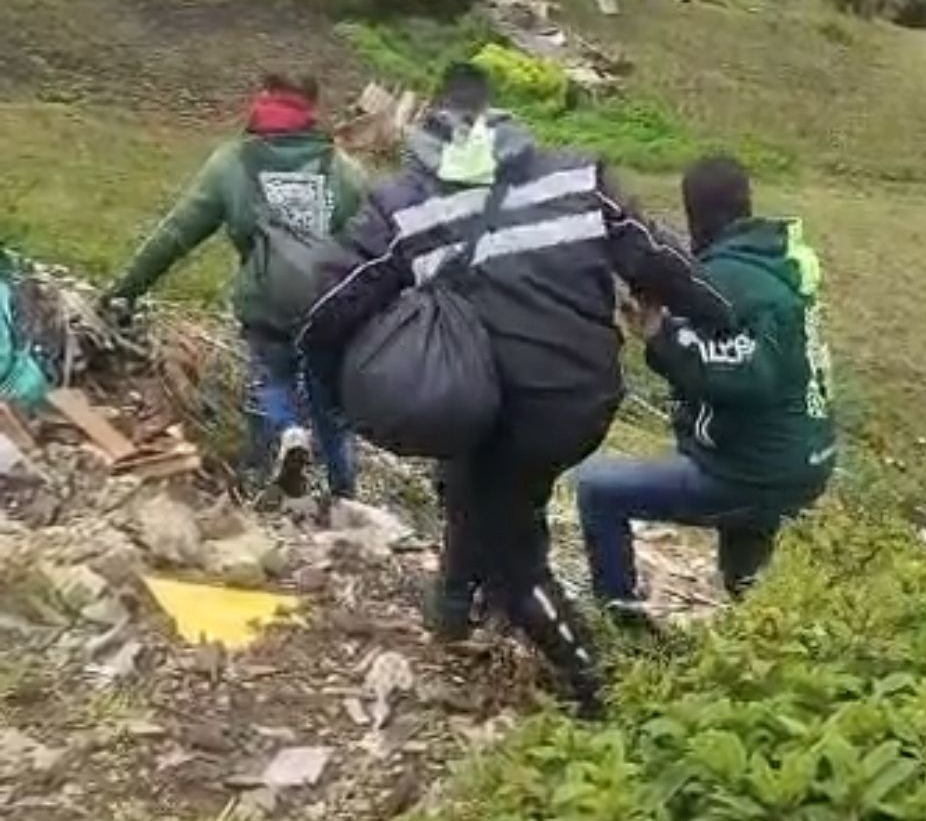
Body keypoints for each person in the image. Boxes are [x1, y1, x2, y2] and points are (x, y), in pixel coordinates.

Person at [301, 62, 732, 712]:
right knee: (475, 489)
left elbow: (330, 302)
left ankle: (594, 685)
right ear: (500, 119)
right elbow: (658, 258)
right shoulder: (578, 177)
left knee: (512, 551)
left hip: (501, 415)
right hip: (587, 397)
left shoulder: (405, 206)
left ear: (429, 126)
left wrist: (333, 381)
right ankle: (453, 609)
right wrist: (722, 312)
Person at [577, 156, 837, 617]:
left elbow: (747, 376)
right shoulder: (773, 264)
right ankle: (757, 621)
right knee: (744, 578)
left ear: (695, 215)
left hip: (751, 473)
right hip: (801, 460)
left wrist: (660, 337)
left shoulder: (728, 281)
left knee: (598, 487)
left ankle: (620, 619)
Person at [106, 74, 368, 498]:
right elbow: (370, 246)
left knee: (271, 381)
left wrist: (125, 290)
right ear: (312, 110)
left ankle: (266, 471)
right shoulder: (343, 170)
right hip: (330, 304)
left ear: (263, 99)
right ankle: (343, 496)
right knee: (330, 406)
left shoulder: (233, 163)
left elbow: (177, 233)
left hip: (267, 303)